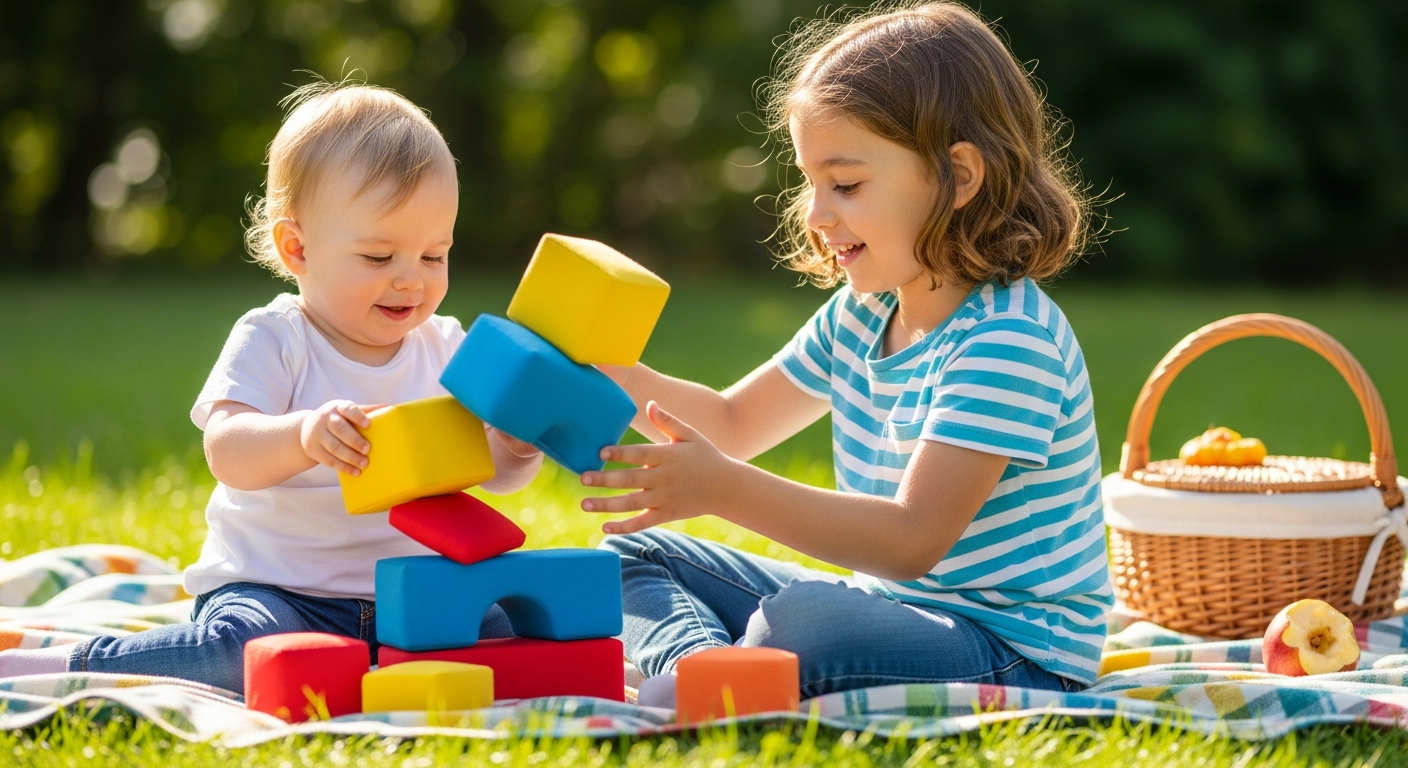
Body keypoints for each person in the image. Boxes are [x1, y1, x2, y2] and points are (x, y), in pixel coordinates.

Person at [585, 2, 1111, 703]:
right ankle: (704, 670)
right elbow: (735, 423)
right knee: (627, 556)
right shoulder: (863, 314)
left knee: (805, 621)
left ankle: (724, 672)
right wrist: (613, 372)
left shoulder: (1011, 338)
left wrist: (720, 489)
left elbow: (911, 540)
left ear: (958, 176)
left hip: (1011, 649)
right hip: (891, 611)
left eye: (847, 184)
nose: (814, 212)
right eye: (811, 181)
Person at [0, 81, 540, 691]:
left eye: (433, 256)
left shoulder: (449, 348)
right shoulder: (278, 337)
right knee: (234, 655)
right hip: (279, 593)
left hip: (418, 596)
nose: (410, 281)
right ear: (297, 247)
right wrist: (303, 435)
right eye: (378, 258)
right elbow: (227, 450)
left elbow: (495, 469)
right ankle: (49, 669)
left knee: (515, 638)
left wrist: (518, 445)